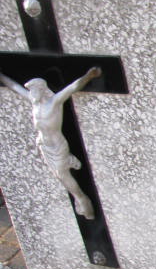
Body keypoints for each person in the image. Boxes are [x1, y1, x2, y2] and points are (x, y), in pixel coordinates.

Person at [0, 67, 102, 220]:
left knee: (62, 175)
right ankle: (79, 196)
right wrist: (1, 77)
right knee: (58, 175)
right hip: (44, 146)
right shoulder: (35, 104)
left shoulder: (54, 103)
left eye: (34, 90)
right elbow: (15, 86)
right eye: (30, 91)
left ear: (42, 89)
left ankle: (82, 199)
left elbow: (72, 88)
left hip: (57, 146)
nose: (31, 94)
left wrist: (88, 76)